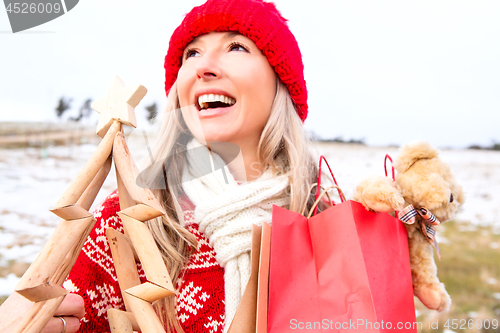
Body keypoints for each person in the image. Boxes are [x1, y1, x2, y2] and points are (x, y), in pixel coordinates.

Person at [0, 0, 329, 332]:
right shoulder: (131, 219)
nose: (205, 67)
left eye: (236, 46)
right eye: (192, 54)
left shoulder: (327, 218)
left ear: (281, 81)